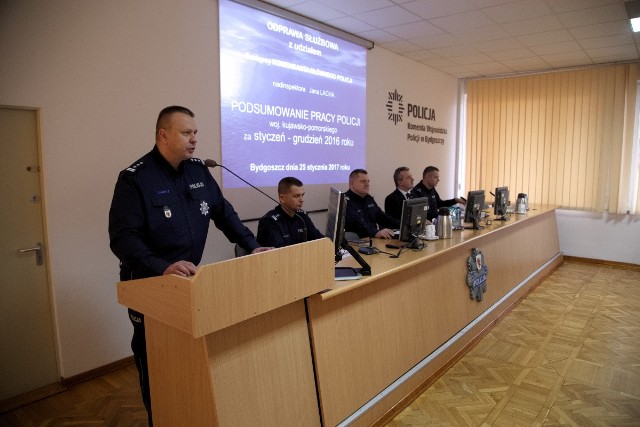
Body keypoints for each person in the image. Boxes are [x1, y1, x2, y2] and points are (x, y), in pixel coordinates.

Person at [108, 106, 269, 425]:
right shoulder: (135, 179)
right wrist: (162, 266)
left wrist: (252, 246)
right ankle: (160, 418)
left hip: (187, 283)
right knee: (155, 363)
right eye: (186, 132)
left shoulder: (199, 170)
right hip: (148, 285)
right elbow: (122, 239)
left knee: (185, 359)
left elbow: (224, 214)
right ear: (163, 135)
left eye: (196, 132)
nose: (194, 139)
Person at [257, 177, 324, 247]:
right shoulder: (269, 222)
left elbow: (319, 239)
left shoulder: (302, 216)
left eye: (302, 195)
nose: (302, 200)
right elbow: (280, 252)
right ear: (282, 198)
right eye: (296, 196)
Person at [344, 168, 400, 239]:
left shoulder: (368, 198)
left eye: (368, 181)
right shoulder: (346, 202)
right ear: (351, 184)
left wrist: (402, 225)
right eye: (363, 181)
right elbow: (357, 225)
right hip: (359, 242)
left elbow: (382, 217)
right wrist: (376, 232)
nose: (367, 184)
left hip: (374, 239)